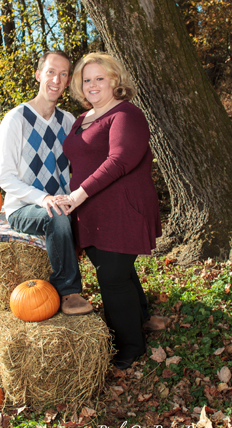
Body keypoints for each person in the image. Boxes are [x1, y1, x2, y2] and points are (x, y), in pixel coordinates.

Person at [60, 52, 162, 369]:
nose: (92, 85)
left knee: (112, 277)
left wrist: (78, 194)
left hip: (122, 209)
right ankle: (141, 317)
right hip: (92, 211)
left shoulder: (126, 115)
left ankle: (130, 348)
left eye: (99, 78)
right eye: (87, 79)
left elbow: (120, 160)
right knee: (120, 270)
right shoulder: (82, 119)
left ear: (115, 80)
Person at [0, 50, 93, 317]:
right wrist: (43, 199)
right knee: (57, 217)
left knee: (99, 214)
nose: (56, 79)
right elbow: (6, 178)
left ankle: (126, 295)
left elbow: (80, 168)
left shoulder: (69, 121)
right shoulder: (16, 119)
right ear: (39, 75)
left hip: (64, 201)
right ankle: (68, 291)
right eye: (51, 72)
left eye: (63, 74)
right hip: (24, 207)